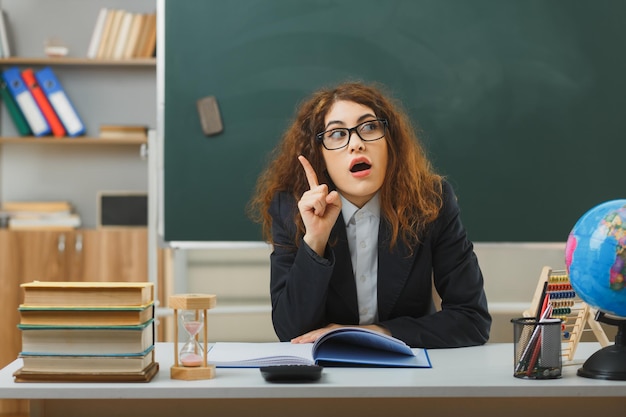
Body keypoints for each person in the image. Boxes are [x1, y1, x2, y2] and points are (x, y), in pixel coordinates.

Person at [248, 81, 491, 348]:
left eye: (369, 127)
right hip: (327, 377)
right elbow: (289, 331)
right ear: (320, 155)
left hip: (412, 376)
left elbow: (472, 320)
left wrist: (374, 333)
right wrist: (315, 241)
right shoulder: (291, 208)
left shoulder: (431, 201)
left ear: (391, 142)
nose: (356, 144)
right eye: (338, 134)